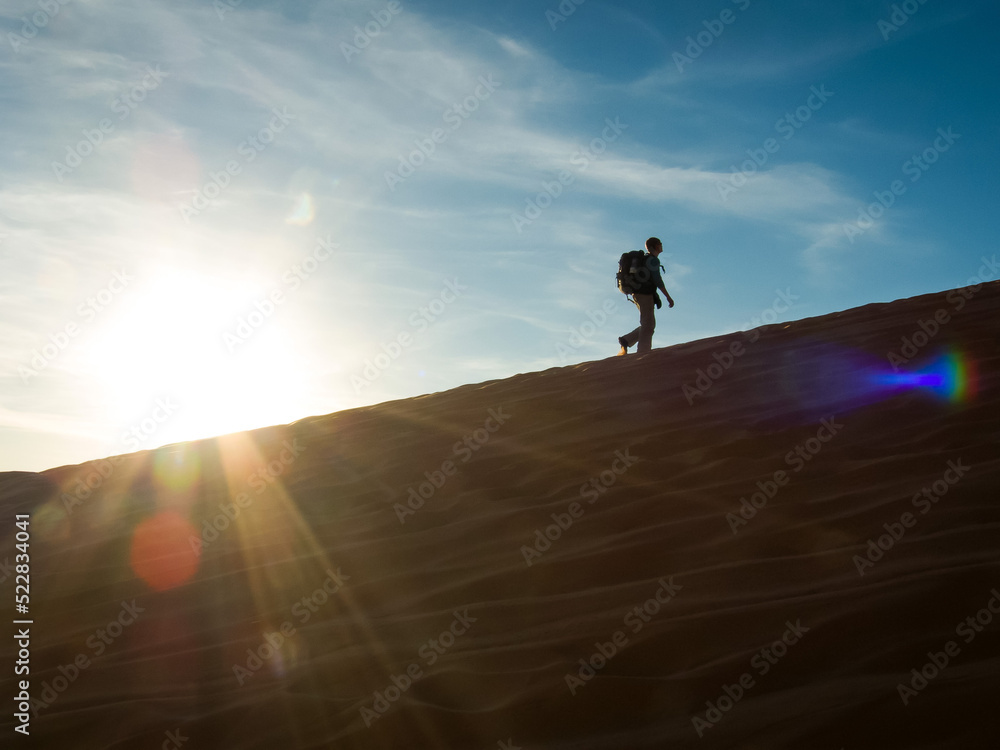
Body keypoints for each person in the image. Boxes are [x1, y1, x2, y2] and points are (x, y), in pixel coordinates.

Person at [618, 237, 674, 355]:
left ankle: (627, 340)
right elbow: (657, 280)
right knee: (648, 324)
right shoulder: (652, 260)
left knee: (648, 324)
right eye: (660, 244)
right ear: (655, 246)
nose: (662, 245)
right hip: (644, 294)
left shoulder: (646, 259)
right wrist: (668, 297)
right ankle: (643, 353)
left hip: (638, 294)